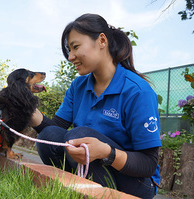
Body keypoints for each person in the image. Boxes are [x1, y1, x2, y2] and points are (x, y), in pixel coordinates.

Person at [31, 13, 162, 199]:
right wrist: (28, 112)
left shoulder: (137, 91)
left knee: (78, 136)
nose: (70, 57)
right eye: (69, 50)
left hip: (137, 181)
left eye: (75, 47)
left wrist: (107, 153)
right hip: (96, 167)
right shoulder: (79, 86)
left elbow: (148, 163)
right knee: (48, 136)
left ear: (101, 40)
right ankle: (74, 191)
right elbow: (54, 133)